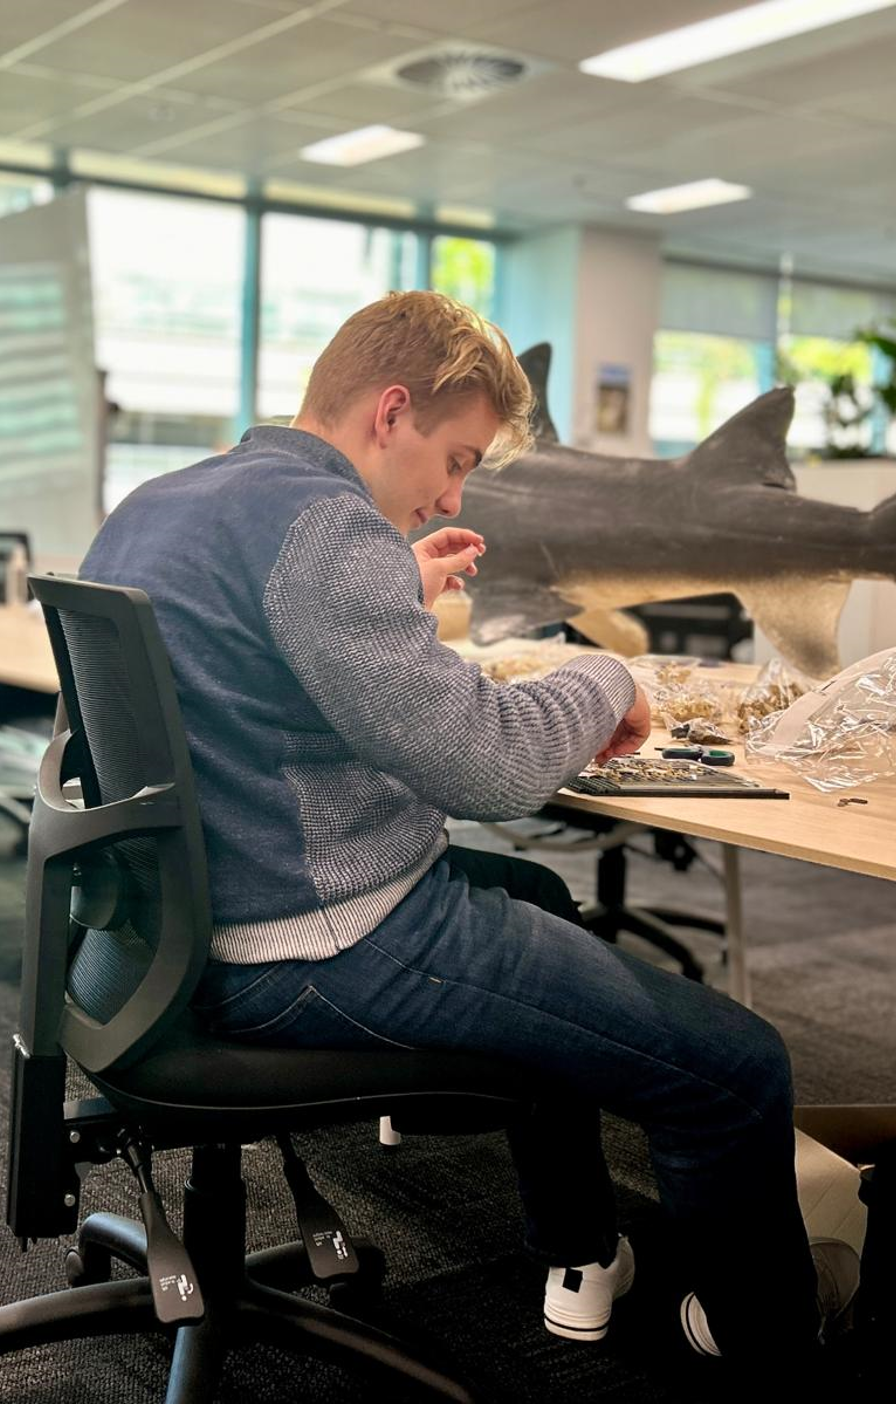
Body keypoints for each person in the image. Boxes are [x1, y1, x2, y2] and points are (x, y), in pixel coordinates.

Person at [81, 289, 830, 1362]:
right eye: (457, 458)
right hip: (311, 938)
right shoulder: (323, 526)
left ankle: (577, 1242)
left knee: (542, 901)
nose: (448, 494)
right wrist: (603, 676)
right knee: (735, 1068)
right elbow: (483, 767)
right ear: (389, 412)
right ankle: (763, 1338)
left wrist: (392, 582)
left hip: (161, 932)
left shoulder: (163, 500)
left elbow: (253, 636)